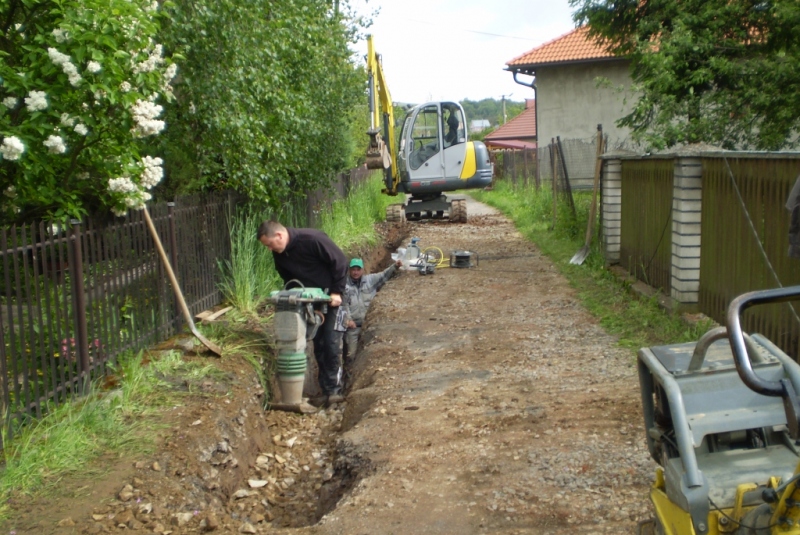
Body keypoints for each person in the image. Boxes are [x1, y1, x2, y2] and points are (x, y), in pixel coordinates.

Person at [257, 220, 348, 404]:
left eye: (269, 244)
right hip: (308, 301)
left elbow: (340, 261)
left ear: (279, 235)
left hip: (332, 299)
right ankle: (325, 390)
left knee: (331, 343)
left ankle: (335, 390)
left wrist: (337, 291)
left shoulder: (312, 239)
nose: (269, 249)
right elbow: (287, 278)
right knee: (318, 344)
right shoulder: (280, 253)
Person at [341, 257, 402, 387]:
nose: (356, 272)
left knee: (369, 356)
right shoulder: (344, 286)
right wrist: (348, 320)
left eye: (358, 269)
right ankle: (348, 383)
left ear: (363, 270)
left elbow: (384, 274)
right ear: (349, 271)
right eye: (353, 270)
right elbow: (343, 305)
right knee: (351, 354)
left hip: (369, 326)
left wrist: (395, 266)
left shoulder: (370, 280)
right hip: (353, 327)